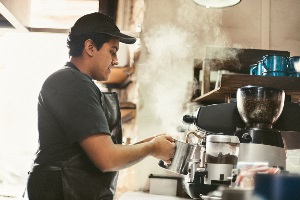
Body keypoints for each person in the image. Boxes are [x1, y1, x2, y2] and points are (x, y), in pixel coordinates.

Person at [26, 12, 176, 200]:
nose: (115, 60)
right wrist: (152, 148)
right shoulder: (72, 82)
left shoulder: (77, 82)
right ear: (90, 47)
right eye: (112, 51)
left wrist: (151, 143)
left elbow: (104, 152)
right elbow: (107, 159)